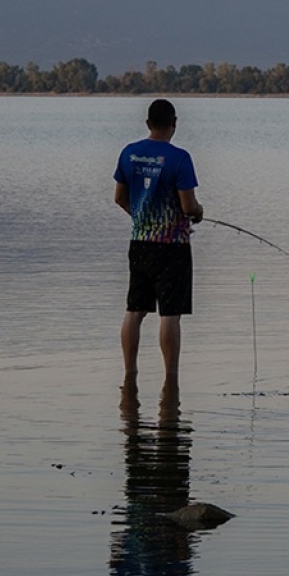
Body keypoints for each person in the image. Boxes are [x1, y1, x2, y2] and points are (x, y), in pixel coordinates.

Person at [114, 98, 203, 387]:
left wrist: (140, 217)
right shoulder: (179, 158)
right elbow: (188, 206)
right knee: (170, 314)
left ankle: (130, 373)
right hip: (173, 247)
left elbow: (119, 198)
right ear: (173, 123)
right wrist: (199, 213)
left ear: (148, 124)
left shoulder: (129, 153)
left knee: (135, 309)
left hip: (139, 242)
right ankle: (171, 379)